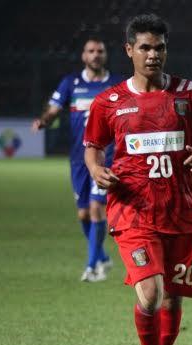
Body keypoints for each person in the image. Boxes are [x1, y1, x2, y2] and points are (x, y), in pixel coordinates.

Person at [83, 14, 192, 345]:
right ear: (129, 50)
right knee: (150, 294)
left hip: (180, 211)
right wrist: (96, 169)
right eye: (144, 47)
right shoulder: (109, 102)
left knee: (174, 298)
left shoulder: (189, 95)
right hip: (133, 210)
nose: (153, 54)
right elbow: (92, 146)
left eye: (159, 47)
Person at [32, 38, 123, 281]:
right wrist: (44, 121)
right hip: (77, 158)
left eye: (100, 51)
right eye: (91, 51)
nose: (96, 55)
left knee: (96, 209)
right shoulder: (70, 83)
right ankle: (102, 256)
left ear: (106, 55)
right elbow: (53, 109)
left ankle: (92, 267)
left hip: (106, 157)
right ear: (83, 56)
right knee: (83, 214)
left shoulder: (116, 85)